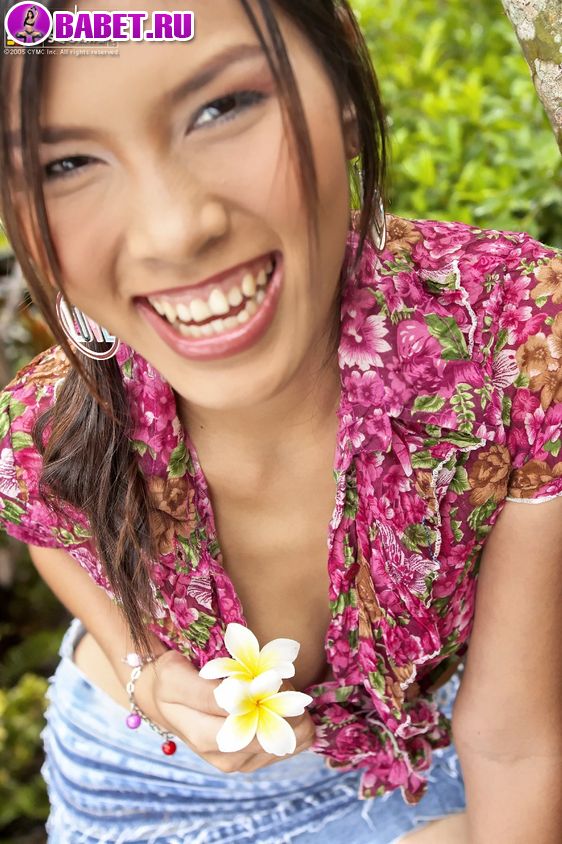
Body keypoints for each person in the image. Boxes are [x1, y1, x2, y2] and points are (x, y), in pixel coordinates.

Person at [0, 1, 561, 842]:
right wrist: (141, 663)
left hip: (437, 749)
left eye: (223, 107)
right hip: (147, 781)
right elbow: (48, 525)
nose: (175, 231)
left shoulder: (514, 342)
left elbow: (514, 741)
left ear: (343, 92)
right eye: (67, 163)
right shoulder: (49, 412)